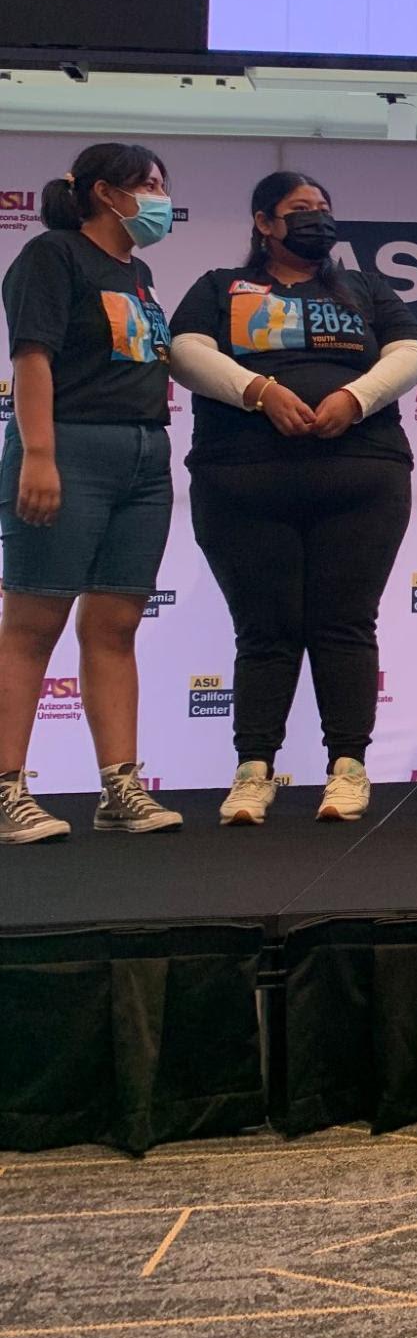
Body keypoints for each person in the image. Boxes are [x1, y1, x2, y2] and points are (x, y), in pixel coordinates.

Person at [168, 172, 417, 824]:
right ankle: (254, 771)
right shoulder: (220, 286)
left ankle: (348, 768)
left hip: (361, 477)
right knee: (265, 629)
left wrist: (354, 397)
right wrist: (258, 391)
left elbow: (410, 353)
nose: (316, 218)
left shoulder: (363, 287)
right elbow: (185, 351)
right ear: (265, 222)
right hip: (244, 481)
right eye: (299, 209)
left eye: (323, 208)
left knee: (345, 622)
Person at [0, 142, 181, 844]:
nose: (162, 199)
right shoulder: (53, 256)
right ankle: (9, 788)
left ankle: (120, 787)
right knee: (33, 624)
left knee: (116, 624)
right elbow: (32, 356)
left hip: (144, 453)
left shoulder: (139, 272)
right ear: (108, 192)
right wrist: (38, 455)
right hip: (68, 445)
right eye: (152, 184)